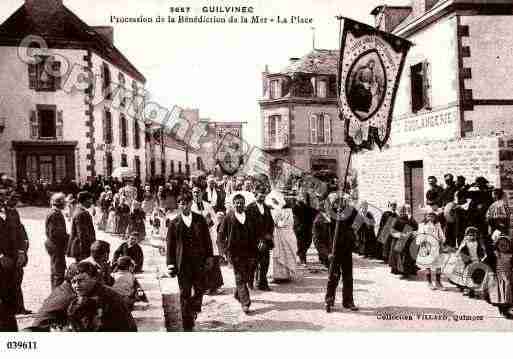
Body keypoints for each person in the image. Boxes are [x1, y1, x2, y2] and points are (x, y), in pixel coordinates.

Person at [29, 262, 137, 331]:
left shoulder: (109, 297)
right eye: (74, 282)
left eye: (81, 281)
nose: (76, 285)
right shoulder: (67, 296)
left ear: (94, 278)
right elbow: (39, 325)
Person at [166, 193, 214, 331]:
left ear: (191, 203)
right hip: (183, 264)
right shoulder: (174, 223)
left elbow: (207, 240)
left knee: (200, 290)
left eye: (186, 203)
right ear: (178, 205)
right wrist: (170, 264)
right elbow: (170, 245)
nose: (184, 205)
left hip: (199, 263)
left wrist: (209, 257)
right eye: (181, 203)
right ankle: (187, 322)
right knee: (184, 292)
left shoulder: (200, 220)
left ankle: (193, 308)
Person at [219, 193, 257, 314]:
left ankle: (237, 294)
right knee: (240, 277)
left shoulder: (249, 216)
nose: (239, 205)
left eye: (241, 203)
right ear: (233, 204)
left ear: (244, 204)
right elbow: (220, 236)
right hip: (234, 253)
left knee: (246, 275)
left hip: (249, 252)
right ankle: (245, 303)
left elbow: (254, 233)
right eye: (237, 203)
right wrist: (224, 251)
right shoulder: (228, 217)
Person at [325, 193, 359, 313]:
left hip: (346, 249)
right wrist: (327, 253)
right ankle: (329, 299)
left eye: (341, 201)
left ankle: (348, 301)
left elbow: (356, 217)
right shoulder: (328, 214)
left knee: (348, 276)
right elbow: (321, 236)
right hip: (333, 251)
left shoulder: (347, 212)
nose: (339, 203)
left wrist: (349, 205)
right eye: (336, 201)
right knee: (333, 275)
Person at [191, 186, 224, 295]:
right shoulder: (191, 207)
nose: (196, 194)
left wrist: (210, 221)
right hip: (198, 239)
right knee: (201, 263)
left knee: (213, 261)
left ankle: (216, 285)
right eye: (194, 193)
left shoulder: (207, 205)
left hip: (209, 236)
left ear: (201, 193)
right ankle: (205, 286)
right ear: (192, 194)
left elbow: (215, 219)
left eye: (198, 192)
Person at [3, 192, 31, 315]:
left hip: (15, 254)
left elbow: (21, 233)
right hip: (4, 256)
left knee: (17, 280)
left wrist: (22, 251)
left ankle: (19, 307)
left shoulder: (13, 213)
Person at [246, 185, 275, 291]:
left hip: (266, 241)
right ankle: (250, 282)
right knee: (253, 263)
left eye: (264, 196)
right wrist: (259, 240)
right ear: (255, 195)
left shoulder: (267, 208)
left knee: (265, 263)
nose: (262, 198)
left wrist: (269, 235)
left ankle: (262, 283)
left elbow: (271, 223)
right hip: (254, 241)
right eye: (260, 196)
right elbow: (249, 227)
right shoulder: (249, 208)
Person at [267, 191, 297, 282]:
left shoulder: (286, 211)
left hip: (285, 234)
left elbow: (287, 223)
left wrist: (278, 223)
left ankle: (285, 275)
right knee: (278, 254)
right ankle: (279, 276)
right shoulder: (272, 211)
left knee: (285, 254)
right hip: (278, 234)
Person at [416, 207, 446, 290]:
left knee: (438, 265)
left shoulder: (437, 225)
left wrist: (441, 242)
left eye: (432, 216)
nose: (431, 217)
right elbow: (420, 236)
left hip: (436, 246)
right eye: (429, 215)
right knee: (428, 264)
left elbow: (441, 236)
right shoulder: (422, 225)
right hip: (427, 246)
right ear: (426, 216)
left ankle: (438, 282)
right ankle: (429, 282)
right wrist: (422, 243)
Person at [45, 192, 69, 289]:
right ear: (60, 202)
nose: (66, 204)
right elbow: (54, 233)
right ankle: (56, 293)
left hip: (55, 245)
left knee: (57, 270)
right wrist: (68, 238)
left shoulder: (55, 212)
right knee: (58, 272)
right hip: (56, 245)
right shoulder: (55, 214)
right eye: (64, 202)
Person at [389, 204, 418, 278]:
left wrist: (412, 233)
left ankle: (407, 272)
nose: (402, 212)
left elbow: (415, 228)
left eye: (403, 210)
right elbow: (392, 231)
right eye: (401, 211)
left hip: (408, 241)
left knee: (407, 257)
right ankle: (399, 271)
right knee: (399, 257)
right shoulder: (396, 220)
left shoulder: (409, 219)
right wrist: (400, 235)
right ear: (399, 211)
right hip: (398, 241)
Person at [66, 191, 96, 262]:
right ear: (85, 200)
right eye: (90, 200)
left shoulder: (79, 211)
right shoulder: (82, 213)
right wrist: (87, 249)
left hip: (80, 246)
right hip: (81, 248)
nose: (91, 203)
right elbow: (82, 234)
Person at [292, 189, 316, 265]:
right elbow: (294, 210)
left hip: (308, 227)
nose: (305, 199)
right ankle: (302, 257)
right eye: (303, 198)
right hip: (299, 227)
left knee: (308, 242)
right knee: (301, 242)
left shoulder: (310, 206)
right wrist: (298, 202)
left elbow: (315, 213)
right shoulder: (297, 206)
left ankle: (301, 252)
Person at [312, 197, 335, 268]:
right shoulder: (318, 221)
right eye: (329, 207)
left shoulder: (333, 218)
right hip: (327, 255)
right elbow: (318, 242)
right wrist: (327, 254)